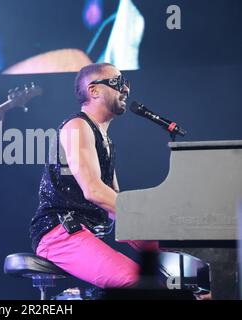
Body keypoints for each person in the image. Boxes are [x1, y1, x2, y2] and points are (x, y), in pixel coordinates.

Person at [30, 63, 158, 288]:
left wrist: (159, 240)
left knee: (164, 275)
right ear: (94, 90)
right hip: (59, 233)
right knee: (137, 283)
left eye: (126, 83)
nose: (126, 89)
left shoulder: (106, 141)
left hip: (77, 232)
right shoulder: (77, 126)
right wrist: (145, 219)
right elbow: (94, 191)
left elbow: (114, 207)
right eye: (118, 83)